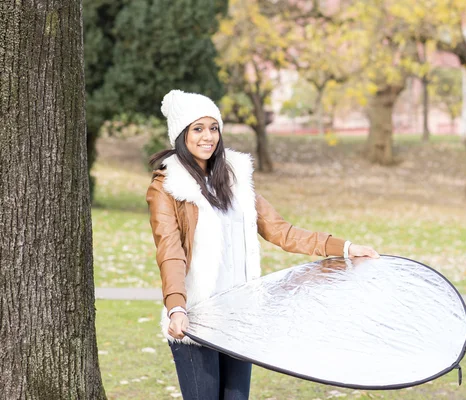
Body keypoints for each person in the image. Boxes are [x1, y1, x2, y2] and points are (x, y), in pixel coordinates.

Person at [146, 89, 379, 400]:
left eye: (213, 128)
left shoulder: (234, 180)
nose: (208, 137)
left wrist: (345, 247)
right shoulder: (167, 187)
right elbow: (170, 251)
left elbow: (281, 230)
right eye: (197, 129)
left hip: (240, 316)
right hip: (195, 318)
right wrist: (176, 307)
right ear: (181, 135)